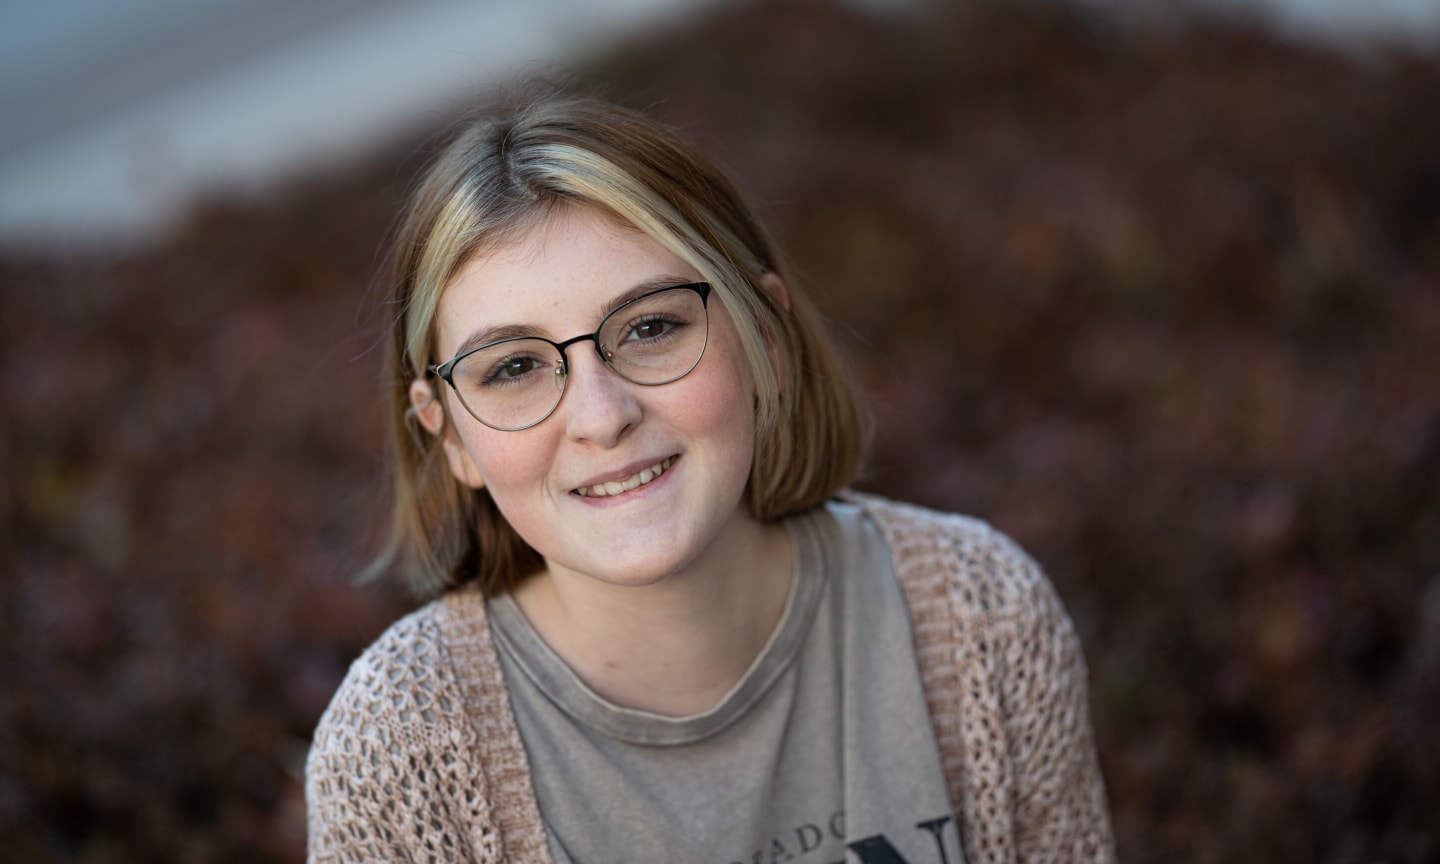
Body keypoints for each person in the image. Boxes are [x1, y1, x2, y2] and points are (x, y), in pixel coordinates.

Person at [305, 83, 1115, 864]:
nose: (601, 415)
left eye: (650, 326)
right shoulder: (397, 751)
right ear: (448, 436)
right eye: (513, 368)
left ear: (765, 339)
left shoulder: (981, 613)